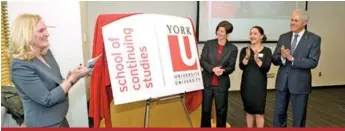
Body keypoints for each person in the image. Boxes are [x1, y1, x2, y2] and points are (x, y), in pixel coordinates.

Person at [8, 14, 91, 127]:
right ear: (26, 35)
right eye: (41, 30)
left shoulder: (46, 54)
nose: (47, 33)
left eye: (46, 29)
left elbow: (57, 85)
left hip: (60, 118)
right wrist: (72, 79)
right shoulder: (20, 66)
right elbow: (47, 99)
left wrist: (74, 76)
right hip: (44, 124)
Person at [272, 9, 321, 127]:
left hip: (300, 84)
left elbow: (313, 62)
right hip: (282, 83)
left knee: (299, 117)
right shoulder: (283, 37)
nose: (292, 23)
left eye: (296, 21)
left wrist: (292, 59)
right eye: (292, 20)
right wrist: (283, 57)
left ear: (305, 22)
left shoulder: (314, 39)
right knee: (278, 115)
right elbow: (275, 59)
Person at [199, 20, 238, 127]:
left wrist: (223, 71)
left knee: (221, 110)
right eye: (218, 30)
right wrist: (212, 69)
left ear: (227, 34)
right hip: (207, 82)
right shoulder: (209, 44)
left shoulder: (232, 48)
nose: (219, 33)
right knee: (205, 110)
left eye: (222, 31)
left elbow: (231, 66)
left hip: (221, 84)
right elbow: (202, 61)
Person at [239, 26, 272, 128]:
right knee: (249, 112)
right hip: (247, 85)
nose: (252, 36)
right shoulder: (245, 50)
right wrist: (248, 56)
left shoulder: (267, 51)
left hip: (259, 86)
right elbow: (241, 66)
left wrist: (257, 59)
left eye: (255, 34)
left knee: (259, 112)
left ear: (261, 36)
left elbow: (266, 68)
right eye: (251, 33)